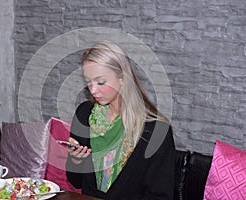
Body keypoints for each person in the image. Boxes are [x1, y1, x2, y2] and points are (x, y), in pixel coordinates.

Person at [66, 41, 175, 200]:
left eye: (101, 82)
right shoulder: (85, 114)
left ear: (122, 78)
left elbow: (160, 195)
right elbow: (75, 181)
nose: (93, 90)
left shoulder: (156, 130)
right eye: (88, 81)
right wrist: (76, 160)